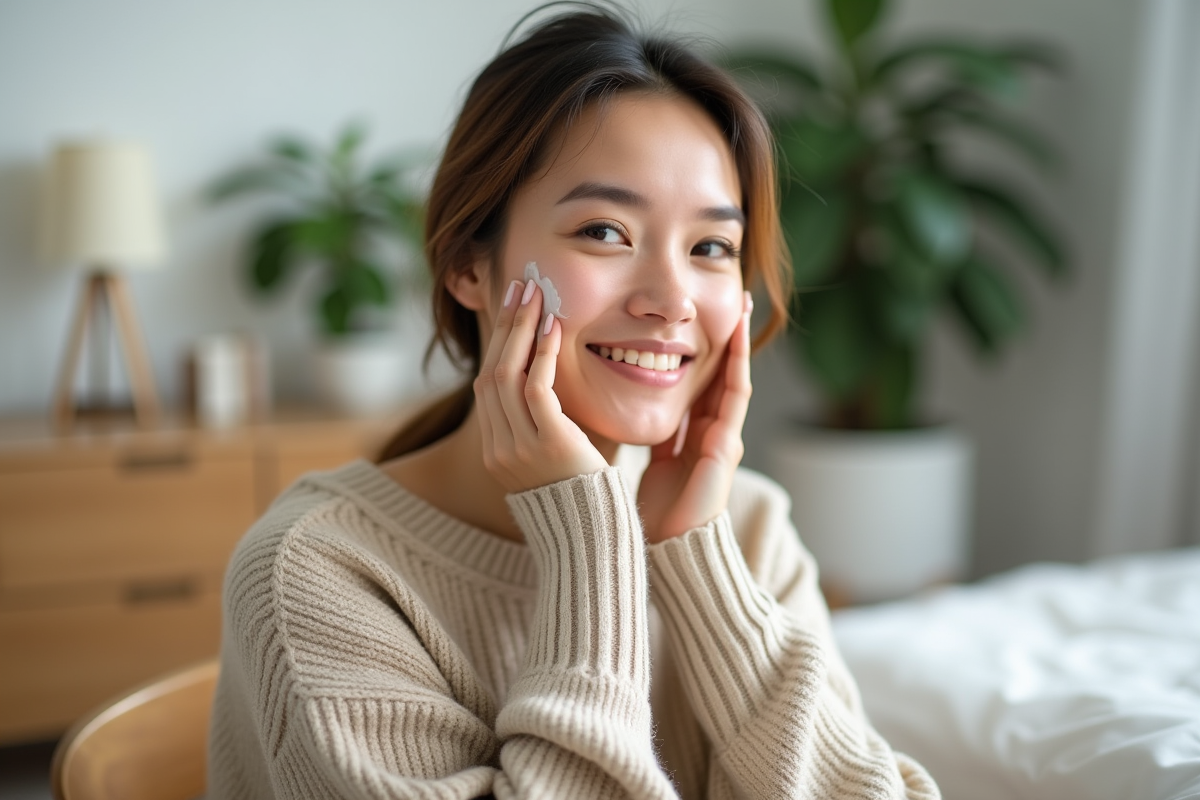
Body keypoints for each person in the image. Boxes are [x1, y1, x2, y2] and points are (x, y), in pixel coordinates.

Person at [207, 5, 940, 798]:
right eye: (603, 231)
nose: (671, 299)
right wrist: (589, 541)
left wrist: (698, 566)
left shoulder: (748, 531)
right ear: (467, 266)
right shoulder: (321, 569)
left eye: (711, 248)